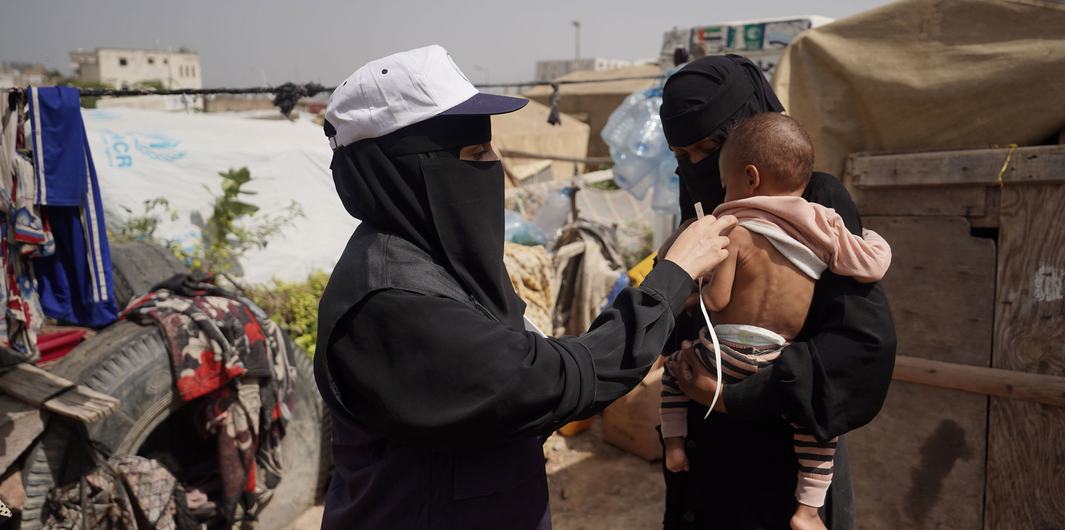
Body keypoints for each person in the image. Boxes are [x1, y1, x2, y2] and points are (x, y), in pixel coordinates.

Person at [312, 45, 738, 530]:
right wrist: (669, 281)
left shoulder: (437, 260)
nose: (495, 164)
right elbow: (544, 382)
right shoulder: (391, 302)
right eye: (476, 153)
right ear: (406, 171)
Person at [657, 55, 897, 530]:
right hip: (706, 459)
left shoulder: (814, 206)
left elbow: (857, 347)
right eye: (680, 157)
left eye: (707, 150)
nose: (694, 168)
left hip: (780, 463)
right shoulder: (708, 212)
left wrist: (729, 398)